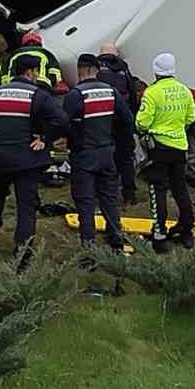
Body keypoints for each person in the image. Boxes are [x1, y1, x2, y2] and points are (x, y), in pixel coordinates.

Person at [0, 53, 67, 267]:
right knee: (26, 205)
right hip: (27, 160)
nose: (37, 76)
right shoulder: (38, 95)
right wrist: (45, 138)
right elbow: (62, 120)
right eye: (36, 72)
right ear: (30, 72)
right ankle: (22, 252)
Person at [63, 54, 133, 254]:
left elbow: (63, 122)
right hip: (107, 152)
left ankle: (89, 248)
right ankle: (116, 242)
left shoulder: (75, 95)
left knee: (85, 202)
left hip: (83, 155)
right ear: (97, 70)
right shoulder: (111, 92)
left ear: (79, 70)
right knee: (109, 198)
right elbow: (127, 121)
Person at [135, 52, 195, 253]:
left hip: (159, 148)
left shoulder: (152, 93)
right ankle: (187, 231)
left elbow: (142, 122)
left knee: (158, 190)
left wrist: (147, 129)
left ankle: (159, 235)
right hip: (180, 147)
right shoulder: (185, 91)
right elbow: (191, 117)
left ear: (155, 71)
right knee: (180, 189)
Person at [95, 43, 142, 204]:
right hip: (123, 118)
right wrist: (132, 116)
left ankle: (106, 193)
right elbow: (133, 94)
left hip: (103, 118)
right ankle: (130, 194)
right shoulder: (124, 69)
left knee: (103, 155)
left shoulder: (97, 69)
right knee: (126, 157)